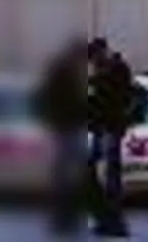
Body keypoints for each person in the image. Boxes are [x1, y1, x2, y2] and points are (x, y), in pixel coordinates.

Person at [87, 39, 142, 237]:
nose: (93, 63)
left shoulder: (117, 69)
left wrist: (96, 83)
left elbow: (114, 99)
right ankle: (105, 218)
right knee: (94, 174)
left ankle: (114, 223)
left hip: (111, 129)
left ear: (102, 53)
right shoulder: (103, 72)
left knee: (111, 179)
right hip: (102, 130)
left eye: (94, 58)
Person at [32, 37, 87, 237]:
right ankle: (64, 218)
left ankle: (65, 218)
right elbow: (65, 101)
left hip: (66, 127)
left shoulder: (63, 70)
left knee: (66, 175)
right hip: (67, 128)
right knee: (66, 176)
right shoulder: (64, 72)